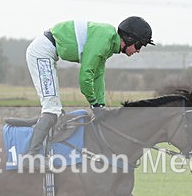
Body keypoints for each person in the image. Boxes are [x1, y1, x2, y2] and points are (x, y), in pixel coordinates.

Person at [20, 16, 154, 168]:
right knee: (52, 110)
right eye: (139, 45)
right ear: (129, 38)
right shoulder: (104, 39)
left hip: (48, 53)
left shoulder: (108, 42)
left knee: (56, 111)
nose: (138, 51)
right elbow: (85, 78)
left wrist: (100, 106)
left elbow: (98, 76)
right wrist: (94, 103)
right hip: (41, 53)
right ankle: (30, 157)